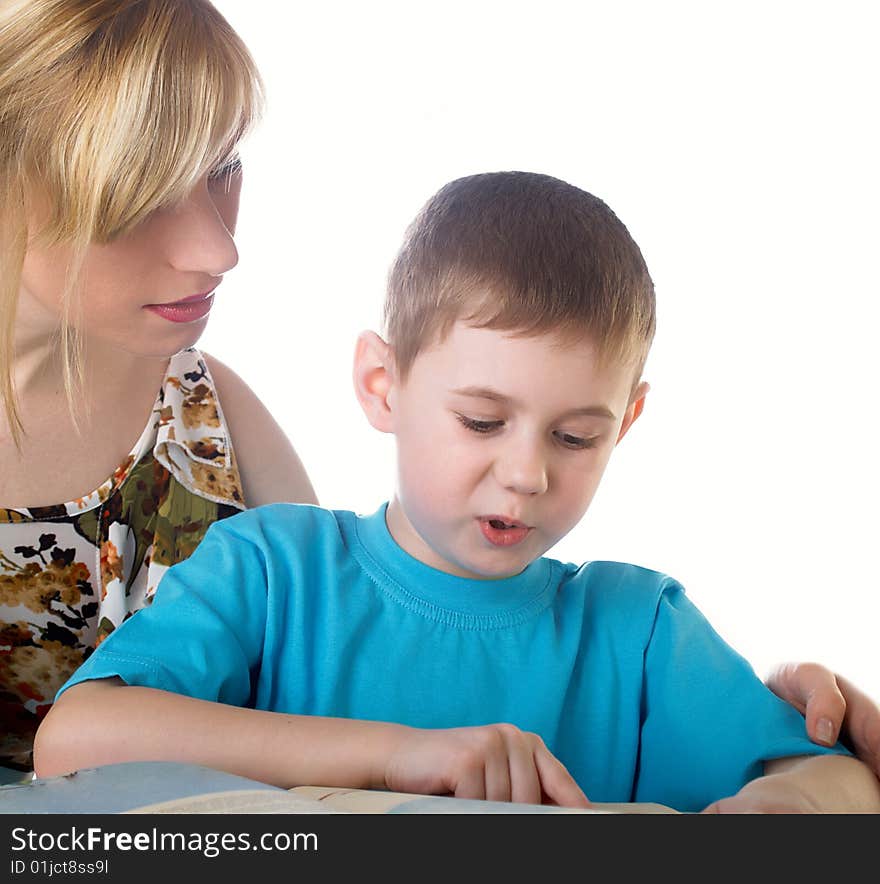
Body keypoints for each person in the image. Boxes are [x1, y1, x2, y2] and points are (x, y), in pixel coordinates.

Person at [33, 172, 880, 812]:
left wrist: (792, 805)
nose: (527, 474)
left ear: (627, 422)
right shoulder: (272, 571)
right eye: (482, 422)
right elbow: (74, 741)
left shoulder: (642, 627)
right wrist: (401, 756)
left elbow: (831, 779)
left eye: (576, 436)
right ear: (382, 385)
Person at [0, 0, 316, 773]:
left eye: (223, 168)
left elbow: (344, 684)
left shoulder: (205, 415)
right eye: (141, 193)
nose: (220, 248)